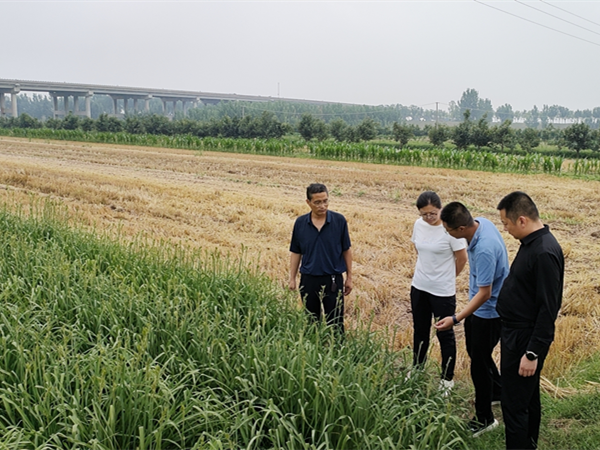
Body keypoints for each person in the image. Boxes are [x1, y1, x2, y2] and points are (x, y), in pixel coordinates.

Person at [496, 192, 564, 449]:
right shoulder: (532, 243)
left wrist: (532, 352)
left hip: (524, 339)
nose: (506, 229)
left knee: (514, 404)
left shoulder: (543, 252)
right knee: (527, 397)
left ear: (522, 220)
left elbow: (548, 308)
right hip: (517, 334)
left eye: (506, 223)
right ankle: (529, 444)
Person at [435, 202, 509, 437]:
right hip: (487, 310)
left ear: (460, 229)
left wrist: (455, 318)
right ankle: (498, 392)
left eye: (448, 230)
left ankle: (485, 418)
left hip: (488, 313)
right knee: (480, 355)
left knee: (479, 365)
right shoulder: (482, 223)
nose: (446, 233)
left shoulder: (485, 249)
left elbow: (484, 293)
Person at [409, 191, 467, 394]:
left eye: (433, 213)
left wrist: (448, 276)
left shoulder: (449, 229)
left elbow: (462, 258)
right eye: (424, 214)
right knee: (420, 331)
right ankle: (417, 369)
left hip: (442, 291)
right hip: (419, 286)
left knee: (445, 334)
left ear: (441, 209)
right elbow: (418, 249)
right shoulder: (419, 225)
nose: (429, 218)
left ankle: (447, 379)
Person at [289, 183, 353, 335]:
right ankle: (314, 347)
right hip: (308, 280)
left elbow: (346, 250)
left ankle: (337, 347)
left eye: (325, 201)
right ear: (308, 202)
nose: (322, 206)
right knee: (311, 322)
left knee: (336, 323)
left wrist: (349, 277)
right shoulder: (300, 223)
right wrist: (292, 278)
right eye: (317, 202)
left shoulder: (339, 221)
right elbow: (296, 252)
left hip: (332, 280)